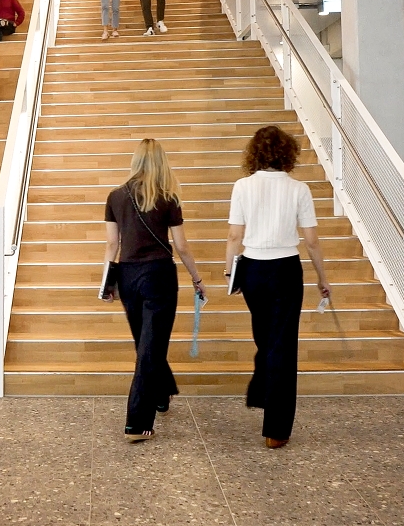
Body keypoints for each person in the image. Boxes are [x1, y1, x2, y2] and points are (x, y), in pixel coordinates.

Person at [225, 125, 332, 449]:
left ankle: (261, 391)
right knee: (282, 345)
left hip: (253, 269)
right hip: (286, 270)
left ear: (254, 153)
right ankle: (277, 429)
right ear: (288, 153)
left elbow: (234, 236)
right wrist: (322, 278)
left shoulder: (243, 186)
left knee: (265, 337)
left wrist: (231, 271)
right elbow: (311, 241)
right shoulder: (299, 189)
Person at [101, 139, 207, 443]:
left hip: (128, 276)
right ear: (161, 163)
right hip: (159, 274)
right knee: (149, 346)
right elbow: (182, 246)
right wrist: (197, 278)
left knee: (145, 342)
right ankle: (137, 421)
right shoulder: (168, 198)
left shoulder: (115, 196)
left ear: (135, 162)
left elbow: (112, 245)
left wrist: (108, 283)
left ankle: (161, 393)